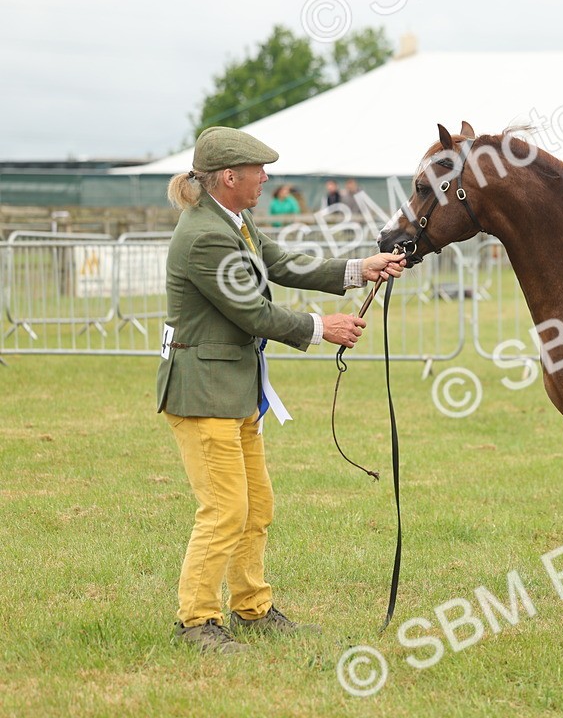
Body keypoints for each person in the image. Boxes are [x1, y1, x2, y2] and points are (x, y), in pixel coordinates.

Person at [160, 127, 406, 654]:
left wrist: (358, 270)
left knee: (256, 506)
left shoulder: (235, 221)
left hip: (233, 391)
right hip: (203, 395)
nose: (266, 178)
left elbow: (283, 263)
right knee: (226, 509)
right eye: (258, 171)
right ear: (229, 177)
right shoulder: (204, 235)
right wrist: (324, 328)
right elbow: (252, 311)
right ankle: (197, 620)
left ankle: (252, 609)